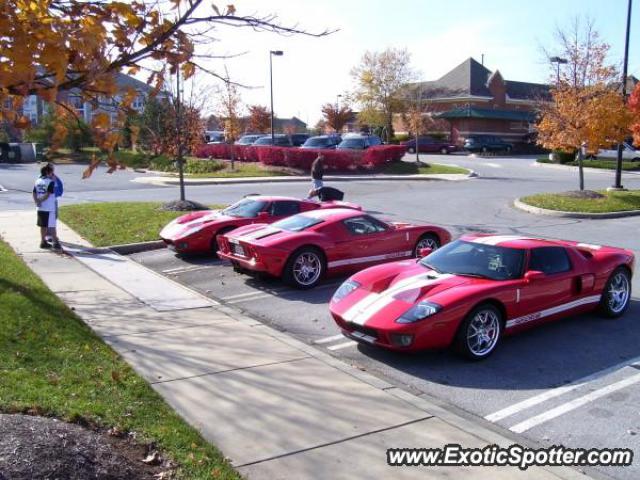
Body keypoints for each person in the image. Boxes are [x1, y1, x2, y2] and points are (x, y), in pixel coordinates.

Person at [32, 164, 61, 250]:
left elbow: (33, 193)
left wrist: (37, 201)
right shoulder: (50, 182)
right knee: (52, 226)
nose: (53, 173)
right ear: (48, 172)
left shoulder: (38, 181)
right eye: (52, 171)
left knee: (43, 225)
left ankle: (43, 241)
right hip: (49, 208)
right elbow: (48, 194)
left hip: (40, 208)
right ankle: (55, 243)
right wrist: (40, 200)